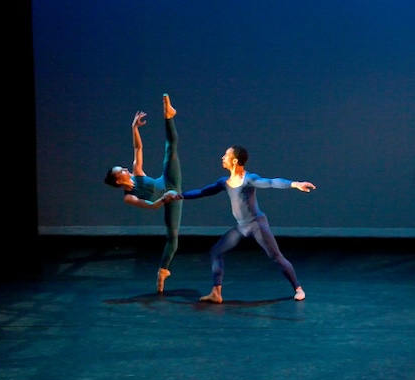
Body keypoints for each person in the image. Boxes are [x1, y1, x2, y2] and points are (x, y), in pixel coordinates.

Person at [179, 145, 315, 303]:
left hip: (257, 224)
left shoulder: (248, 179)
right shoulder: (224, 182)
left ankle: (298, 288)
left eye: (226, 155)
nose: (222, 157)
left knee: (276, 257)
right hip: (241, 227)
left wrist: (294, 184)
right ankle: (216, 293)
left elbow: (270, 182)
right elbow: (203, 192)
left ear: (235, 160)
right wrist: (179, 196)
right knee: (216, 251)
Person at [104, 94, 182, 293]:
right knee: (172, 238)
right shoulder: (129, 197)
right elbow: (151, 206)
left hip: (168, 180)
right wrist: (166, 198)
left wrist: (134, 128)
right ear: (118, 180)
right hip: (168, 200)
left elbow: (138, 147)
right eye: (120, 170)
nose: (124, 168)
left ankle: (168, 115)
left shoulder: (136, 171)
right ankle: (162, 271)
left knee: (170, 148)